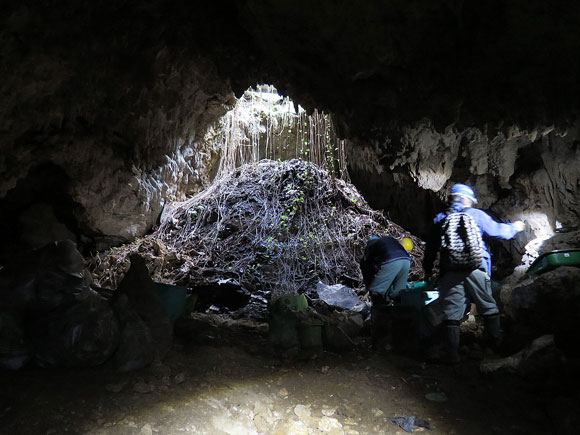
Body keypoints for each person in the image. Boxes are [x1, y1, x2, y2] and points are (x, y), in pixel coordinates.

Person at [422, 184, 525, 363]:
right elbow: (498, 232)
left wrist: (428, 269)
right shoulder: (476, 215)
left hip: (450, 271)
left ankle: (452, 354)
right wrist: (515, 227)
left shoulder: (441, 218)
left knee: (452, 313)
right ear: (467, 200)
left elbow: (430, 248)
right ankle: (497, 344)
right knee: (487, 305)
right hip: (476, 268)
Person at [360, 235, 412, 350]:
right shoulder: (388, 241)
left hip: (391, 260)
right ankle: (402, 338)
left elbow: (368, 268)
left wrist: (369, 286)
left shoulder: (372, 246)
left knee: (376, 291)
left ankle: (380, 338)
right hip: (406, 260)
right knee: (398, 294)